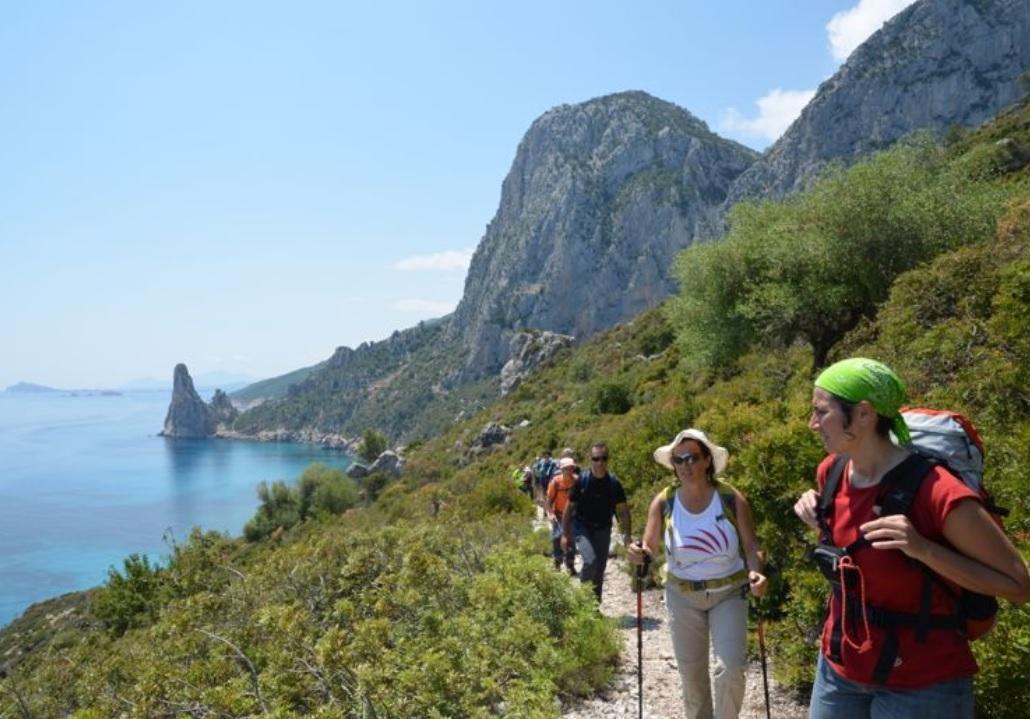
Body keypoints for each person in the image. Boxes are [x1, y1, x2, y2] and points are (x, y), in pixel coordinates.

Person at [793, 357, 1030, 719]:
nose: (812, 424)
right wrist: (820, 517)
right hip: (841, 667)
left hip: (924, 683)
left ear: (863, 414)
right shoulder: (833, 471)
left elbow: (1018, 585)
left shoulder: (938, 492)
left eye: (821, 412)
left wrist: (923, 549)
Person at [627, 428, 767, 719]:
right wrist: (639, 554)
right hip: (682, 596)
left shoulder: (730, 498)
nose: (685, 465)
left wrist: (756, 572)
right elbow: (650, 546)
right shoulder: (664, 501)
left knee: (731, 667)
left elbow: (752, 545)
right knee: (692, 680)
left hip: (729, 592)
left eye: (692, 458)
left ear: (707, 461)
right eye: (679, 460)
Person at [561, 441, 630, 601]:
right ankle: (583, 601)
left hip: (604, 529)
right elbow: (568, 509)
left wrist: (627, 534)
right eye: (596, 458)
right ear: (590, 459)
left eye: (603, 458)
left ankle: (594, 606)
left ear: (608, 459)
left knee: (600, 568)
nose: (600, 462)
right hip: (582, 527)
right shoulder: (582, 481)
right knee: (591, 561)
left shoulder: (613, 483)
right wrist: (565, 535)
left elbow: (623, 511)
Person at [546, 456, 579, 575]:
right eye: (566, 468)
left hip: (573, 515)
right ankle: (557, 563)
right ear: (561, 469)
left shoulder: (577, 481)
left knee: (571, 540)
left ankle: (570, 565)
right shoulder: (555, 482)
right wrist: (550, 513)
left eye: (571, 468)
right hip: (559, 515)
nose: (569, 471)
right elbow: (549, 501)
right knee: (557, 537)